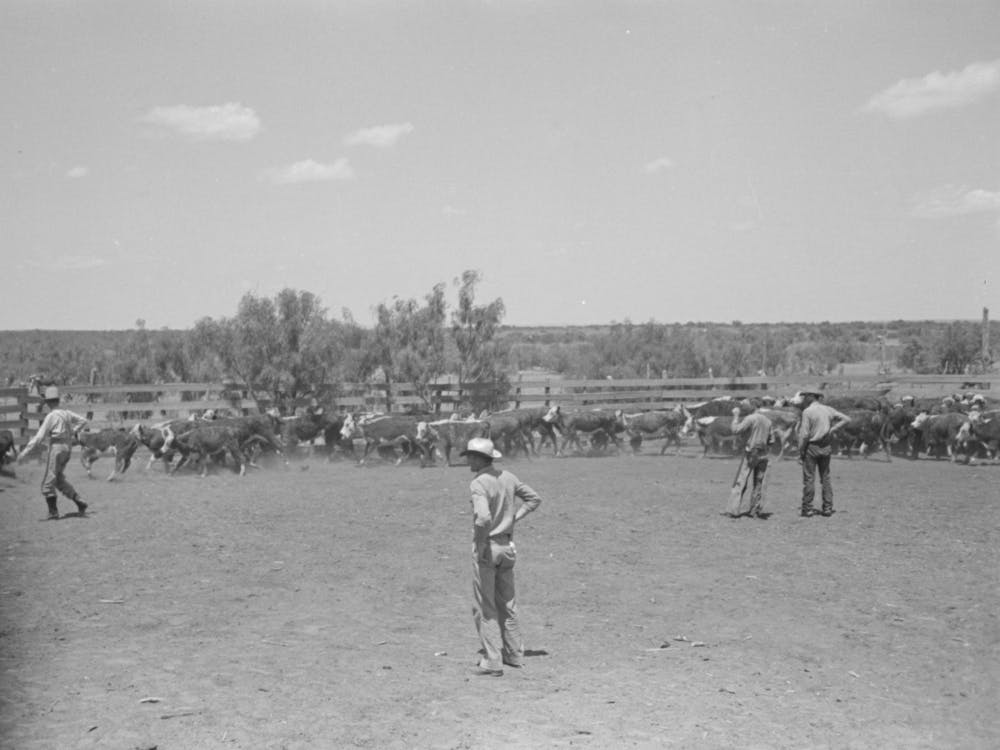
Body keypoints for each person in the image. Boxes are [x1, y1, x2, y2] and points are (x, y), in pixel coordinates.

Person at [460, 437, 543, 676]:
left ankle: (492, 660)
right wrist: (513, 519)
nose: (468, 462)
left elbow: (483, 518)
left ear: (479, 458)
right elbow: (534, 499)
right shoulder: (509, 477)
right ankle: (515, 654)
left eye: (470, 457)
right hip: (508, 547)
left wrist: (481, 542)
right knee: (508, 603)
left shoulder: (478, 483)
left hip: (488, 547)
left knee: (485, 607)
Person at [16, 386, 89, 520]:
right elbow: (83, 421)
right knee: (58, 479)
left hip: (57, 448)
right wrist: (72, 432)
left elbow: (38, 438)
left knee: (48, 483)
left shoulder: (51, 416)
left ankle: (53, 512)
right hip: (67, 448)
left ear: (48, 402)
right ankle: (79, 501)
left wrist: (24, 453)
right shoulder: (66, 413)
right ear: (58, 400)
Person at [793, 386, 850, 518]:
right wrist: (832, 429)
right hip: (826, 447)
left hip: (811, 448)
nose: (804, 398)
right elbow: (847, 419)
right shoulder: (828, 409)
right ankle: (828, 508)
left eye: (806, 396)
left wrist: (801, 451)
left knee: (809, 479)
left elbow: (804, 435)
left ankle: (807, 509)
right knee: (826, 478)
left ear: (812, 396)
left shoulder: (807, 412)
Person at [730, 400, 772, 518]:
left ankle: (733, 510)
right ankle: (755, 510)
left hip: (750, 453)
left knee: (741, 481)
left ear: (752, 406)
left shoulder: (750, 418)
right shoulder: (768, 421)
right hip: (763, 455)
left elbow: (735, 430)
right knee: (758, 483)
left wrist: (736, 416)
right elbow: (771, 440)